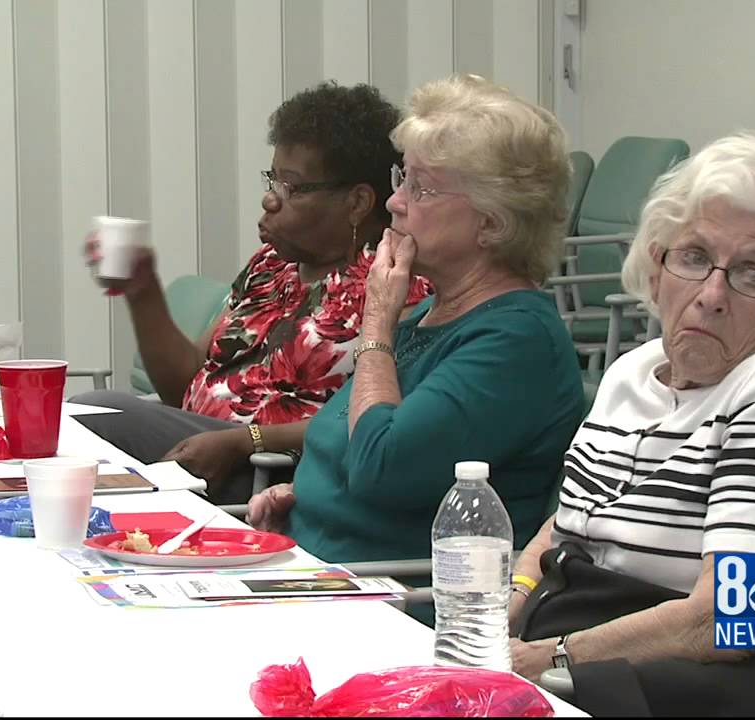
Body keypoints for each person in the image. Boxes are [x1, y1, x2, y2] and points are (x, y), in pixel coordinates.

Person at [506, 133, 755, 715]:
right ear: (655, 270)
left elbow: (733, 622)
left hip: (699, 689)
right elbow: (571, 522)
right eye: (694, 258)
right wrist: (509, 603)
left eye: (753, 274)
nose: (712, 294)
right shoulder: (635, 370)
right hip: (584, 661)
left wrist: (548, 658)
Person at [246, 74, 586, 567]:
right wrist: (301, 499)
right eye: (401, 178)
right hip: (317, 570)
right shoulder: (431, 313)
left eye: (421, 188)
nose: (394, 202)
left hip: (400, 604)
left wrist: (378, 321)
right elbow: (343, 442)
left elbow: (379, 467)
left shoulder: (517, 343)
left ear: (492, 222)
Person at [73, 82, 431, 504]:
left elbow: (370, 419)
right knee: (85, 415)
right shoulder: (271, 266)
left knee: (90, 411)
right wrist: (142, 288)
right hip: (201, 448)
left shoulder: (393, 283)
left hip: (271, 471)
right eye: (273, 181)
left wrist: (249, 440)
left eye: (291, 188)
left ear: (357, 202)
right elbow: (185, 385)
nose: (270, 200)